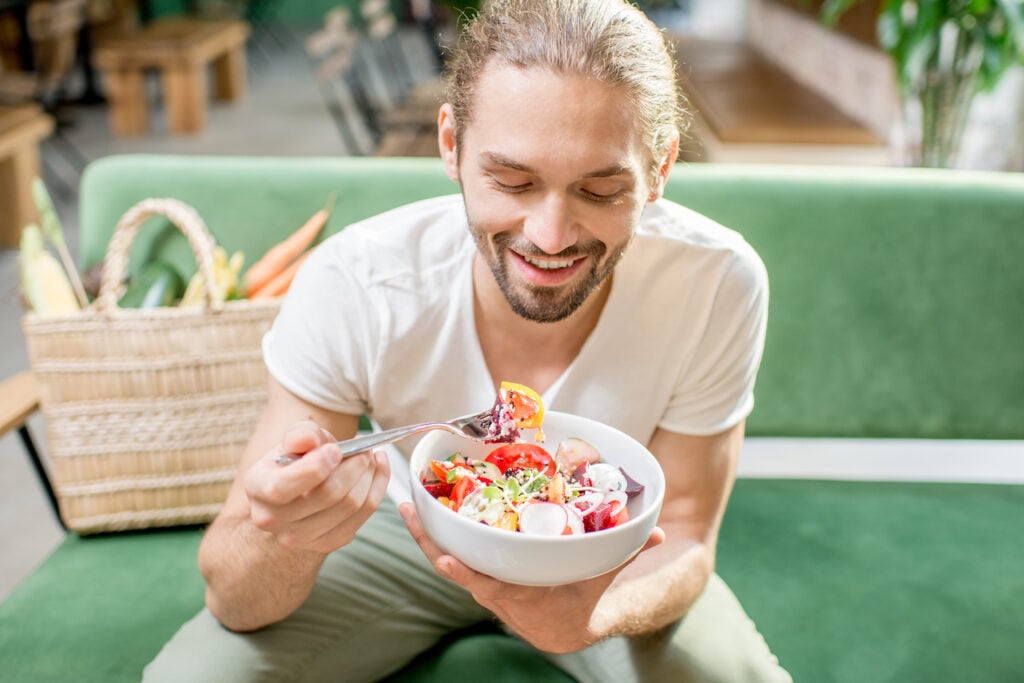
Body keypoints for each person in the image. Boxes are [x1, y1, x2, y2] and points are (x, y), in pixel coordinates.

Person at [145, 1, 791, 681]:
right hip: (408, 526)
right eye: (511, 181)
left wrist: (593, 615)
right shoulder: (357, 283)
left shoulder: (718, 280)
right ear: (451, 145)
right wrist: (288, 534)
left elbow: (685, 531)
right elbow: (232, 594)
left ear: (660, 167)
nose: (549, 235)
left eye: (601, 190)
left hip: (605, 552)